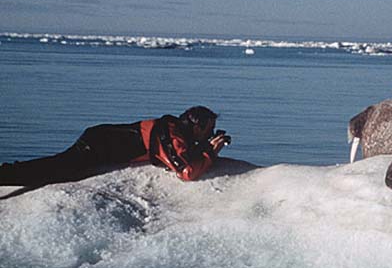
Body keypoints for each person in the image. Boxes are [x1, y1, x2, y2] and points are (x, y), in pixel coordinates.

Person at [0, 106, 230, 188]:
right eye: (209, 130)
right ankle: (6, 174)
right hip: (97, 145)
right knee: (56, 171)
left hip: (100, 138)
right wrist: (209, 152)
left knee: (56, 167)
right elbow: (187, 173)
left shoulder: (173, 130)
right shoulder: (169, 134)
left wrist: (204, 149)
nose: (210, 134)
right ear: (196, 126)